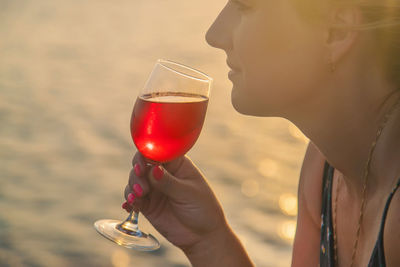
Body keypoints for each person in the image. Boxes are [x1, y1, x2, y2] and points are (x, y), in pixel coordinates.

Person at [122, 0, 400, 266]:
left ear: (337, 32)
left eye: (243, 6)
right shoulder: (323, 168)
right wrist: (208, 242)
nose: (213, 35)